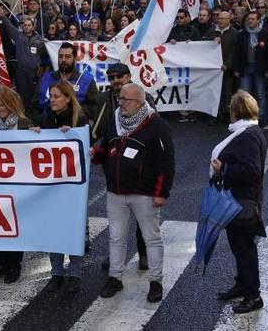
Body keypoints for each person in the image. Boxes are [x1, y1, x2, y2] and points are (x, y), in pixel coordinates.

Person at [94, 83, 174, 303]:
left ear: (139, 103)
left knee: (152, 239)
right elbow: (106, 148)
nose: (120, 103)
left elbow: (166, 162)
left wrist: (161, 192)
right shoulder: (115, 121)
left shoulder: (157, 125)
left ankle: (155, 281)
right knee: (116, 237)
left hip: (145, 194)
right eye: (119, 98)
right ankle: (115, 277)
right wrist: (96, 155)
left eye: (125, 100)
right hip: (116, 192)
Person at [211, 91, 268, 314]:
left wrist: (222, 168)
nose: (229, 112)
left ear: (237, 111)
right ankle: (243, 285)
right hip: (240, 199)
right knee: (239, 247)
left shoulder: (247, 136)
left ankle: (253, 296)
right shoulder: (250, 131)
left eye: (230, 108)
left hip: (242, 201)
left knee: (244, 249)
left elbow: (252, 171)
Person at [37, 80, 88, 294]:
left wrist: (73, 135)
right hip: (51, 183)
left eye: (56, 96)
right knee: (53, 228)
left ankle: (75, 273)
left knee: (73, 228)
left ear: (68, 98)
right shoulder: (46, 116)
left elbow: (86, 150)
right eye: (50, 95)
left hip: (73, 185)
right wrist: (35, 133)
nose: (52, 99)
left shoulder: (80, 119)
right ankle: (56, 273)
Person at [0, 87, 33, 284]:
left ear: (10, 104)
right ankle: (0, 262)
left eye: (2, 105)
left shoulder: (23, 123)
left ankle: (14, 264)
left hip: (17, 181)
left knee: (15, 224)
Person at [36, 42, 101, 122]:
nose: (63, 60)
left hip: (75, 127)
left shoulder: (87, 81)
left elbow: (95, 108)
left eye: (67, 57)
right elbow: (34, 106)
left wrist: (70, 112)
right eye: (60, 56)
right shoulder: (45, 79)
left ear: (75, 59)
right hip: (47, 128)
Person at [0, 14, 44, 112]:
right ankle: (23, 114)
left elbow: (44, 54)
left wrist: (47, 43)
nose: (27, 27)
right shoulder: (18, 36)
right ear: (22, 26)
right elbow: (9, 27)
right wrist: (3, 16)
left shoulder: (39, 39)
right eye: (25, 25)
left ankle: (33, 114)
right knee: (22, 95)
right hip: (21, 72)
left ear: (33, 26)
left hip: (34, 73)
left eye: (29, 25)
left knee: (33, 95)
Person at [205, 11, 239, 125]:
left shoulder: (234, 33)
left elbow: (235, 51)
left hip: (226, 69)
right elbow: (203, 46)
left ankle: (227, 115)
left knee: (227, 93)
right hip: (213, 69)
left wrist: (228, 65)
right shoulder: (211, 32)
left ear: (229, 20)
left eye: (223, 18)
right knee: (214, 93)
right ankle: (215, 115)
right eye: (219, 18)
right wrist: (211, 41)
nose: (220, 20)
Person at [234, 12, 268, 123]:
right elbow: (237, 53)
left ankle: (260, 117)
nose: (250, 21)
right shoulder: (242, 34)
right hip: (245, 67)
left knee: (260, 94)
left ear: (258, 20)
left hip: (260, 67)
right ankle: (246, 117)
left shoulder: (265, 34)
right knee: (245, 94)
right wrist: (237, 68)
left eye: (253, 19)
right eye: (248, 19)